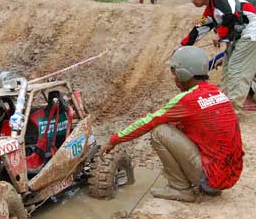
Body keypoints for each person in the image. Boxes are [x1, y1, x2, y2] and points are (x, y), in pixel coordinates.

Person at [101, 46, 243, 202]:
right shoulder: (217, 93)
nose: (174, 78)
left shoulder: (187, 100)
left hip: (210, 179)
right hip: (230, 175)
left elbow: (148, 121)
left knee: (159, 131)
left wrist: (114, 140)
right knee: (176, 125)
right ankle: (201, 183)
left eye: (175, 73)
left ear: (183, 74)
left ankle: (180, 188)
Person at [181, 0, 256, 113]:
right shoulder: (209, 10)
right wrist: (183, 46)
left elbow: (231, 16)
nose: (192, 0)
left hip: (254, 30)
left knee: (236, 68)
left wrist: (219, 34)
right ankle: (224, 103)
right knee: (228, 67)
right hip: (242, 34)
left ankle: (232, 110)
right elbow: (199, 28)